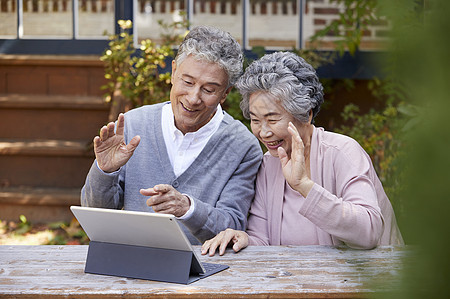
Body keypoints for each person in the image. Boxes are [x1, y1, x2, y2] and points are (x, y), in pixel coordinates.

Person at [201, 51, 404, 255]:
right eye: (255, 120)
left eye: (272, 119)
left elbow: (368, 232)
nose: (263, 132)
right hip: (298, 282)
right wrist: (243, 238)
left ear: (306, 114)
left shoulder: (342, 152)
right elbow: (264, 241)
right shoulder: (269, 164)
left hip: (371, 281)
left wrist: (304, 186)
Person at [81, 26, 263, 245]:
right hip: (133, 265)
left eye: (209, 89)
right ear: (173, 72)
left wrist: (187, 208)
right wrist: (105, 172)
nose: (194, 97)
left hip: (205, 272)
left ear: (225, 93)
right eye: (187, 82)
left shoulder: (243, 146)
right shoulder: (132, 124)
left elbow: (232, 227)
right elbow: (96, 218)